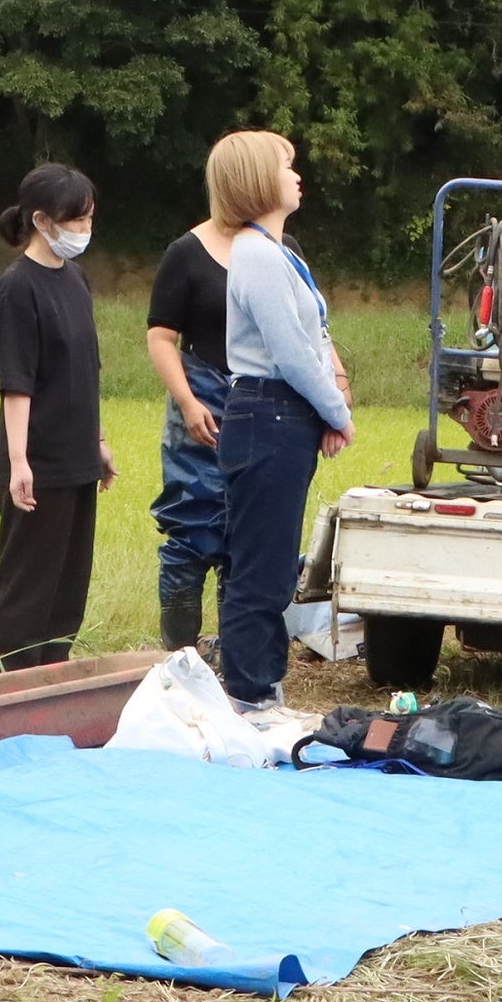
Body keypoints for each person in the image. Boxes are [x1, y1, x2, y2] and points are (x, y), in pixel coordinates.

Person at [213, 130, 352, 709]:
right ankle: (250, 696)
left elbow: (310, 343)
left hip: (282, 414)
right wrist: (337, 410)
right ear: (256, 180)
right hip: (266, 413)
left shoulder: (278, 251)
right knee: (261, 569)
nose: (298, 176)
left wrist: (320, 408)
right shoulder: (256, 254)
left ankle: (260, 688)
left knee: (271, 566)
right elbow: (291, 351)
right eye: (286, 165)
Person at [0, 163, 114, 669]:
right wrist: (20, 461)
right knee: (28, 587)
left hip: (77, 455)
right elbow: (17, 381)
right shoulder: (17, 287)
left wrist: (98, 440)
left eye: (88, 219)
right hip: (38, 460)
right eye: (75, 221)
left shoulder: (76, 278)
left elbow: (85, 369)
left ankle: (52, 683)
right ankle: (9, 691)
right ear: (41, 221)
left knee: (67, 585)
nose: (84, 231)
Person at [143, 198, 243, 654]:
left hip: (263, 404)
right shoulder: (185, 253)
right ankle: (180, 658)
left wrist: (336, 380)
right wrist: (187, 401)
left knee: (246, 540)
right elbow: (161, 336)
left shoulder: (285, 247)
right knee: (193, 532)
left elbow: (312, 327)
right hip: (202, 395)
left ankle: (236, 660)